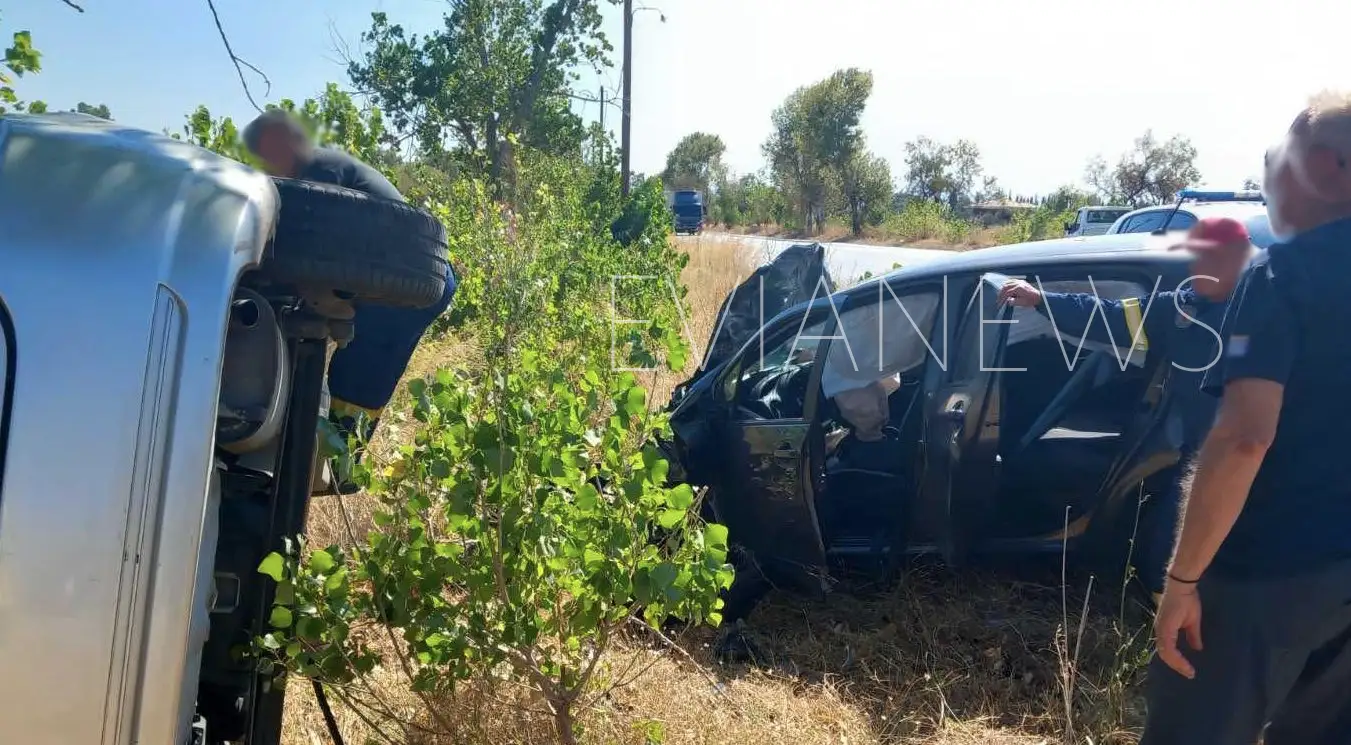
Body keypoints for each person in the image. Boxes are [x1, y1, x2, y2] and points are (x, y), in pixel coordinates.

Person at [1142, 91, 1351, 745]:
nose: (1266, 183)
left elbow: (1242, 437)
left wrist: (1181, 580)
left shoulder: (1284, 275)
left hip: (1265, 572)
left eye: (1275, 162)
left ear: (1324, 167)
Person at [996, 216, 1254, 598]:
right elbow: (1112, 317)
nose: (1197, 267)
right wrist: (1041, 300)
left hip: (1257, 462)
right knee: (1168, 556)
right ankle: (1165, 621)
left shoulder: (1268, 312)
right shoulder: (1182, 311)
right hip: (1201, 458)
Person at [242, 110, 457, 490]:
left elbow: (312, 248)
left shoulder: (318, 173)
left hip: (403, 282)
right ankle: (335, 462)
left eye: (265, 154)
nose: (265, 164)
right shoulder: (323, 166)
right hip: (418, 277)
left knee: (357, 373)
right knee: (364, 370)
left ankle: (333, 467)